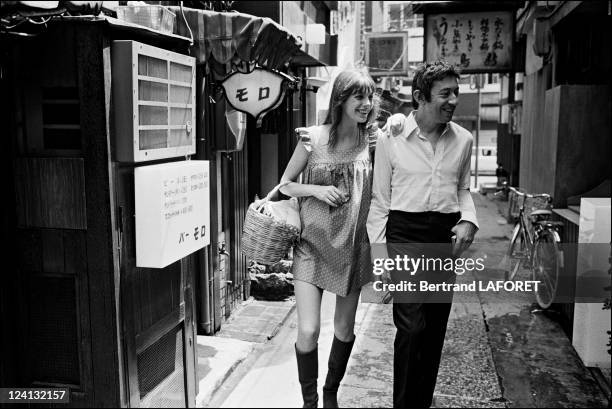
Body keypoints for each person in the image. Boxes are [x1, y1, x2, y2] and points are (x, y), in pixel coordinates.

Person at [367, 61, 479, 408]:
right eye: (445, 93)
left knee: (432, 333)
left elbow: (462, 188)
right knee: (411, 327)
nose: (453, 100)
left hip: (441, 237)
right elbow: (379, 202)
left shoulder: (463, 140)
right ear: (420, 97)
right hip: (404, 234)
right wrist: (380, 258)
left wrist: (469, 220)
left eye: (456, 92)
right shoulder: (392, 137)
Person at [279, 69, 379, 408]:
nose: (366, 104)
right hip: (311, 246)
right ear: (341, 100)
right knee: (308, 330)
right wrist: (317, 190)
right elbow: (284, 185)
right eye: (358, 97)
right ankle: (309, 401)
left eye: (369, 97)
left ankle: (330, 391)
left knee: (344, 330)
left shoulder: (373, 142)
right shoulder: (313, 138)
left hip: (352, 248)